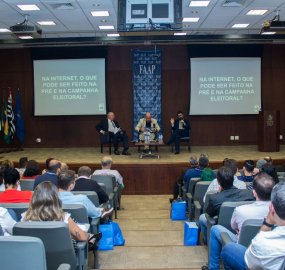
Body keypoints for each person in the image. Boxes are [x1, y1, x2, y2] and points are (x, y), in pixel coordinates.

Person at [204, 172, 275, 270]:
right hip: (270, 251)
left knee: (215, 229)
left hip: (244, 248)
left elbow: (233, 227)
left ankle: (213, 267)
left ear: (254, 192)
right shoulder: (279, 214)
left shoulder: (241, 210)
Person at [221, 181, 285, 270]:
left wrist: (268, 221)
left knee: (228, 249)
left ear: (272, 208)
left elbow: (249, 262)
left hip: (252, 260)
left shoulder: (263, 242)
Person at [199, 166, 254, 243]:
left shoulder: (215, 198)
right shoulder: (248, 194)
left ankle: (207, 241)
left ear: (218, 182)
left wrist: (218, 193)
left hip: (221, 228)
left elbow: (208, 214)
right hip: (241, 229)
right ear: (233, 179)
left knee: (202, 217)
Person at [22, 181, 89, 242]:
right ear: (56, 198)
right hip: (62, 255)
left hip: (34, 254)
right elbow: (83, 237)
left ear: (34, 198)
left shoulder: (25, 218)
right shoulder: (64, 218)